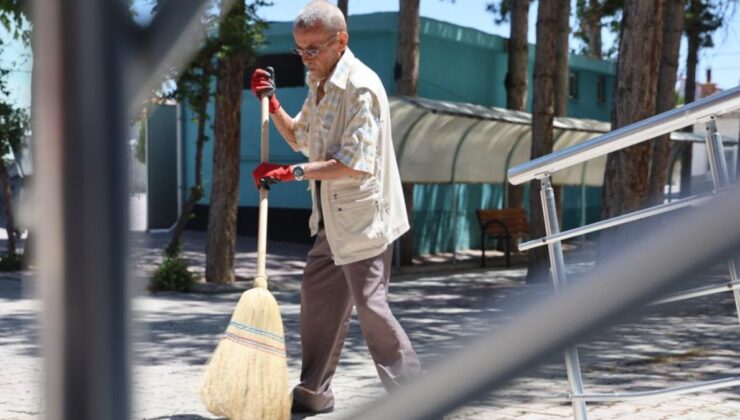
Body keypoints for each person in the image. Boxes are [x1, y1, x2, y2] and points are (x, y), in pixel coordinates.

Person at [249, 0, 420, 414]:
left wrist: (292, 174)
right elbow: (300, 138)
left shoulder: (360, 88)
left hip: (364, 222)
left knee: (371, 307)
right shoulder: (319, 84)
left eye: (313, 49)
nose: (306, 59)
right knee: (317, 300)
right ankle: (314, 393)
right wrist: (271, 104)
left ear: (340, 41)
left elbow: (351, 164)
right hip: (331, 222)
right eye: (299, 50)